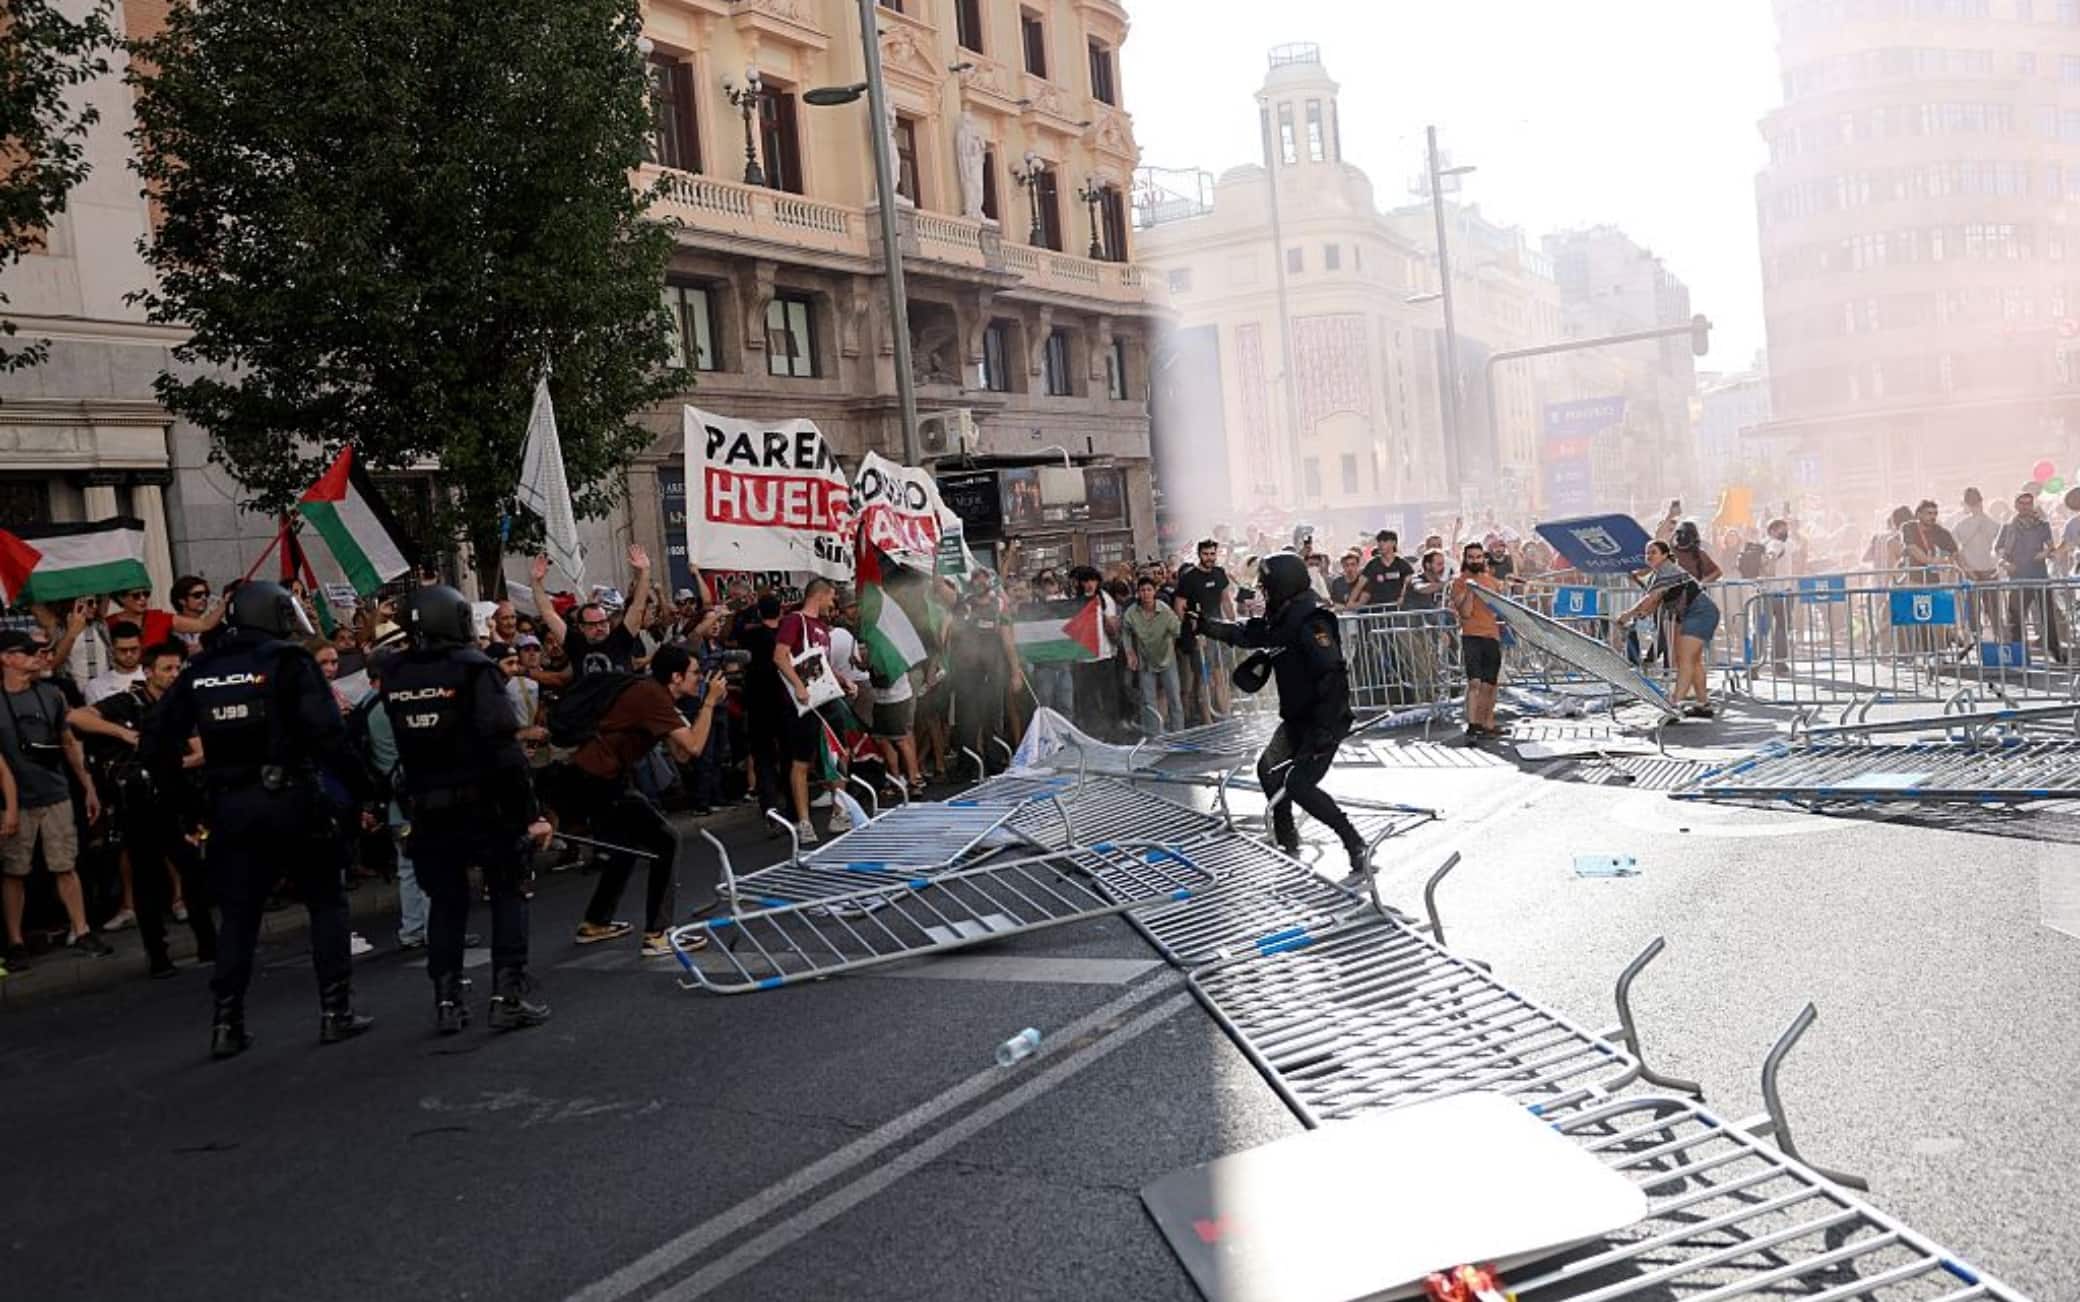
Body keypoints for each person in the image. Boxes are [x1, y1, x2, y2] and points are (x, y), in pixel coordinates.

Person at [142, 581, 375, 1059]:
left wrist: (190, 804)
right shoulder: (290, 662)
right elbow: (328, 736)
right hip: (294, 800)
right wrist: (367, 790)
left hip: (231, 807)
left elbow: (155, 742)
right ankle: (336, 1012)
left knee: (239, 918)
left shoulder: (202, 668)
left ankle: (226, 1023)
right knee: (327, 904)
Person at [378, 586, 555, 1033]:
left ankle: (447, 1001)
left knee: (446, 905)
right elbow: (503, 748)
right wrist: (530, 812)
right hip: (485, 806)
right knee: (509, 891)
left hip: (428, 808)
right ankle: (507, 995)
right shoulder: (474, 670)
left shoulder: (395, 673)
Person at [1196, 555, 1370, 886]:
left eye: (1267, 585)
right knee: (1268, 769)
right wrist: (1206, 625)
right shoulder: (1285, 619)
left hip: (1323, 720)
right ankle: (1287, 837)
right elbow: (1249, 634)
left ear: (1283, 586)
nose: (1263, 591)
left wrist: (1322, 731)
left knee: (1299, 784)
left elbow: (1332, 675)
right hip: (1296, 718)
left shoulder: (1311, 622)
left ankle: (1355, 842)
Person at [566, 646, 726, 955]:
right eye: (694, 674)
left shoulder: (659, 698)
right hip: (598, 780)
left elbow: (681, 753)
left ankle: (596, 922)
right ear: (676, 677)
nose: (700, 679)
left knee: (626, 848)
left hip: (601, 777)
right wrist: (708, 704)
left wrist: (700, 708)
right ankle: (658, 933)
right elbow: (693, 747)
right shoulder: (651, 697)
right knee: (666, 841)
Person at [70, 640, 215, 977]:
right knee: (147, 882)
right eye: (166, 669)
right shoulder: (128, 702)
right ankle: (158, 956)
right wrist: (122, 733)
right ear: (148, 672)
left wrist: (172, 762)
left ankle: (208, 944)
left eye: (178, 668)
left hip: (178, 800)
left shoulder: (182, 705)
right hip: (139, 806)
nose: (173, 675)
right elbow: (77, 716)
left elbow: (200, 750)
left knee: (193, 872)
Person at [1, 628, 113, 967]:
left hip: (55, 793)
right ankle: (15, 941)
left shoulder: (51, 695)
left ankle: (81, 930)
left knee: (65, 864)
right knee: (14, 870)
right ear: (6, 658)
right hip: (15, 801)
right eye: (27, 651)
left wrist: (87, 786)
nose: (37, 656)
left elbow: (68, 743)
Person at [773, 579, 847, 842]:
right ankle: (804, 822)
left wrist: (843, 680)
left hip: (824, 698)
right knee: (801, 760)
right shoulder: (795, 621)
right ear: (820, 595)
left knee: (838, 752)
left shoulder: (822, 627)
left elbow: (822, 665)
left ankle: (840, 812)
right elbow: (780, 655)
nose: (833, 603)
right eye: (832, 598)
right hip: (803, 703)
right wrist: (798, 686)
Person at [525, 544, 653, 680]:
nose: (599, 628)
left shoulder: (620, 639)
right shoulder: (575, 643)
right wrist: (536, 582)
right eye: (592, 625)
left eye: (602, 623)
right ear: (581, 627)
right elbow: (548, 614)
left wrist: (645, 572)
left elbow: (638, 607)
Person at [1624, 540, 1719, 718]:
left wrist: (1627, 614)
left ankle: (1674, 704)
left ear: (1665, 555)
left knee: (1685, 660)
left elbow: (1650, 599)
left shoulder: (1667, 570)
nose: (1648, 556)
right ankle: (1703, 704)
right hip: (1694, 614)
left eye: (1653, 552)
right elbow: (1653, 603)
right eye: (1647, 553)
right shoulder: (1658, 574)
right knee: (1693, 661)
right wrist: (1636, 615)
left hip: (1700, 613)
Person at [1996, 490, 2064, 661]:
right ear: (2016, 505)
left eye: (2028, 503)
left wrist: (2046, 552)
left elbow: (2051, 547)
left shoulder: (2042, 525)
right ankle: (2019, 654)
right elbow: (1997, 551)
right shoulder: (2008, 527)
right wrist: (2005, 564)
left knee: (2047, 616)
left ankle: (2055, 651)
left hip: (2040, 577)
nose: (2025, 507)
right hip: (2018, 578)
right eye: (2022, 503)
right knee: (2016, 618)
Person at [1449, 543, 1506, 738]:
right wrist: (1471, 591)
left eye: (1478, 557)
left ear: (1484, 558)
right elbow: (1464, 613)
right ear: (1465, 559)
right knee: (1474, 682)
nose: (1475, 560)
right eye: (1471, 557)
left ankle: (1487, 723)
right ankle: (1473, 724)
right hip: (1471, 636)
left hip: (1492, 635)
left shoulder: (1491, 581)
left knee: (1490, 683)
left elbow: (1502, 605)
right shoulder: (1458, 582)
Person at [1174, 541, 1234, 725]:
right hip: (1199, 633)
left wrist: (1233, 625)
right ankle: (1207, 720)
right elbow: (1179, 607)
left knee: (1220, 674)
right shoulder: (1189, 578)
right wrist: (1190, 632)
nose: (1210, 558)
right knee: (1203, 678)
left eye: (1212, 554)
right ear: (1200, 555)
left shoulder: (1219, 573)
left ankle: (1226, 716)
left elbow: (1226, 600)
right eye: (1206, 554)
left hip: (1218, 630)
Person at [1122, 576, 1183, 734]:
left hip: (1166, 658)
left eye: (1149, 590)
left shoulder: (1165, 611)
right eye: (1142, 590)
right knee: (1148, 701)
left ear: (1155, 591)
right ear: (1138, 593)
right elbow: (1126, 632)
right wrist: (1130, 653)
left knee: (1174, 698)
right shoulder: (1132, 612)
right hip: (1145, 661)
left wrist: (1172, 645)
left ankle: (1179, 733)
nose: (1146, 593)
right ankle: (1153, 735)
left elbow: (1178, 631)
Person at [1362, 531, 1413, 611]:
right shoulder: (1372, 565)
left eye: (1385, 540)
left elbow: (1408, 582)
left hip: (1398, 611)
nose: (1381, 544)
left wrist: (1402, 596)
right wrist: (1351, 603)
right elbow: (1361, 584)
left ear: (1394, 543)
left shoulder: (1403, 564)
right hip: (1377, 610)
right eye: (1379, 541)